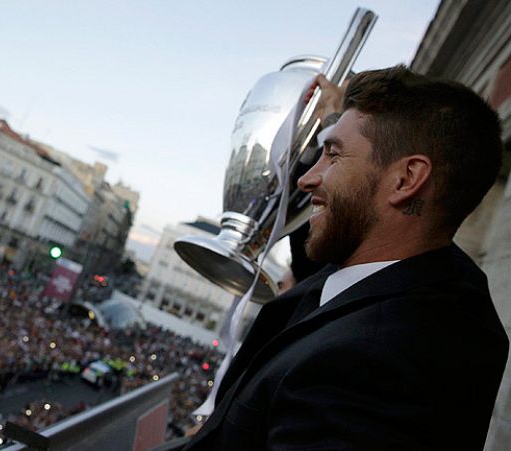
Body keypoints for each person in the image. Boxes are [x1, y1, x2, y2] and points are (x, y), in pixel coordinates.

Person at [182, 66, 509, 450]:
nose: (307, 179)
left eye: (333, 156)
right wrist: (335, 126)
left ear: (405, 179)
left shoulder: (380, 365)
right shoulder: (428, 287)